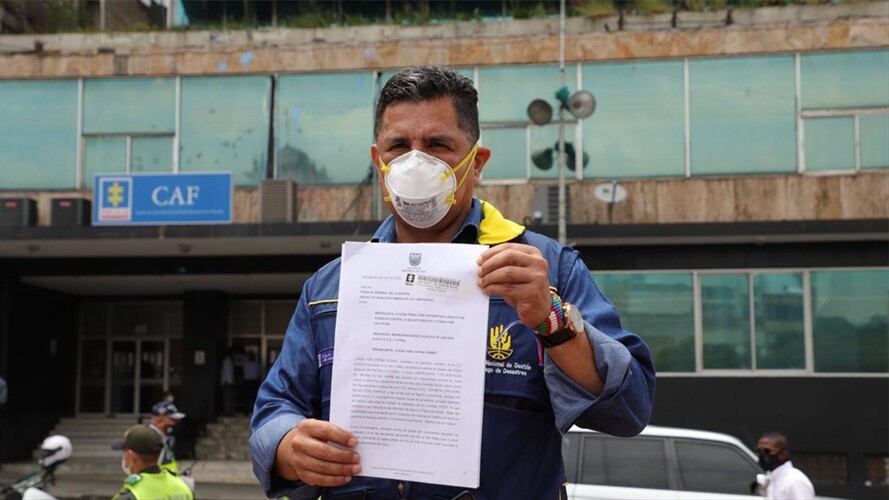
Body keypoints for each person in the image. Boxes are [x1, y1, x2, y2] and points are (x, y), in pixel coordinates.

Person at [249, 65, 656, 499]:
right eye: (399, 146)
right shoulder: (330, 288)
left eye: (437, 145)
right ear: (378, 162)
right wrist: (290, 447)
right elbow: (274, 409)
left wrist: (553, 320)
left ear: (476, 162)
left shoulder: (546, 270)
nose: (414, 161)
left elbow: (629, 409)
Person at [111, 425, 193, 500]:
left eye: (124, 453)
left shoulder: (132, 494)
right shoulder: (184, 486)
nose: (123, 457)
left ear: (132, 457)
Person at [756, 432, 815, 500]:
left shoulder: (795, 481)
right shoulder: (773, 479)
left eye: (767, 451)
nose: (762, 455)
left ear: (784, 454)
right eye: (759, 451)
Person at [149, 400, 186, 475]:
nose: (175, 423)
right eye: (172, 419)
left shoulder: (164, 438)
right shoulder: (150, 439)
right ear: (159, 420)